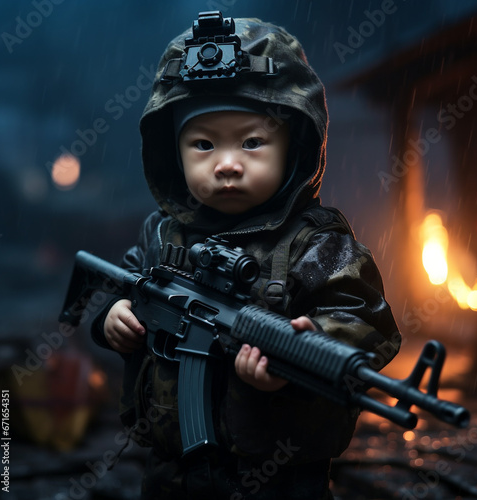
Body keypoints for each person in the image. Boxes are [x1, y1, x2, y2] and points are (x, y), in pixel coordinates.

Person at [91, 11, 401, 500]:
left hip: (277, 472)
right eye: (203, 144)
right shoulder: (164, 234)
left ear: (294, 146)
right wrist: (112, 315)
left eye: (253, 142)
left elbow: (366, 320)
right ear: (173, 153)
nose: (228, 164)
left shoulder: (313, 243)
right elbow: (117, 284)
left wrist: (308, 347)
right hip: (171, 469)